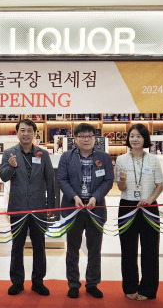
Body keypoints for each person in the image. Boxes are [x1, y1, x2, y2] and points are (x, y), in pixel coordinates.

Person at [56, 122, 113, 299]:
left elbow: (108, 180)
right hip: (73, 208)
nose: (85, 139)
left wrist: (96, 196)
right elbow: (62, 179)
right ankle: (73, 284)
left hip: (95, 208)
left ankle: (92, 283)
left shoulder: (103, 157)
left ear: (95, 138)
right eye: (81, 136)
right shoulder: (67, 156)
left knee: (94, 248)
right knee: (72, 249)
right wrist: (74, 197)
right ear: (75, 139)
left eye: (89, 136)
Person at [0, 118, 55, 296]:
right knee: (17, 245)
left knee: (40, 245)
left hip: (39, 207)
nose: (25, 134)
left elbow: (50, 181)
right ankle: (17, 281)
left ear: (34, 133)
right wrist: (11, 167)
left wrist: (51, 207)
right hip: (18, 207)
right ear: (17, 133)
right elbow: (3, 177)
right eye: (22, 130)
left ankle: (38, 281)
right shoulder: (9, 153)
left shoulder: (43, 154)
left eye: (29, 131)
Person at [115, 123, 163, 301]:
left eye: (139, 136)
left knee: (150, 249)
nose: (134, 139)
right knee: (128, 248)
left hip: (149, 207)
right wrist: (122, 180)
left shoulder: (153, 159)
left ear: (145, 139)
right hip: (127, 206)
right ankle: (130, 286)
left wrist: (149, 200)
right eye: (132, 136)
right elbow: (121, 188)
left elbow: (160, 185)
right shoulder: (121, 159)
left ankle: (148, 289)